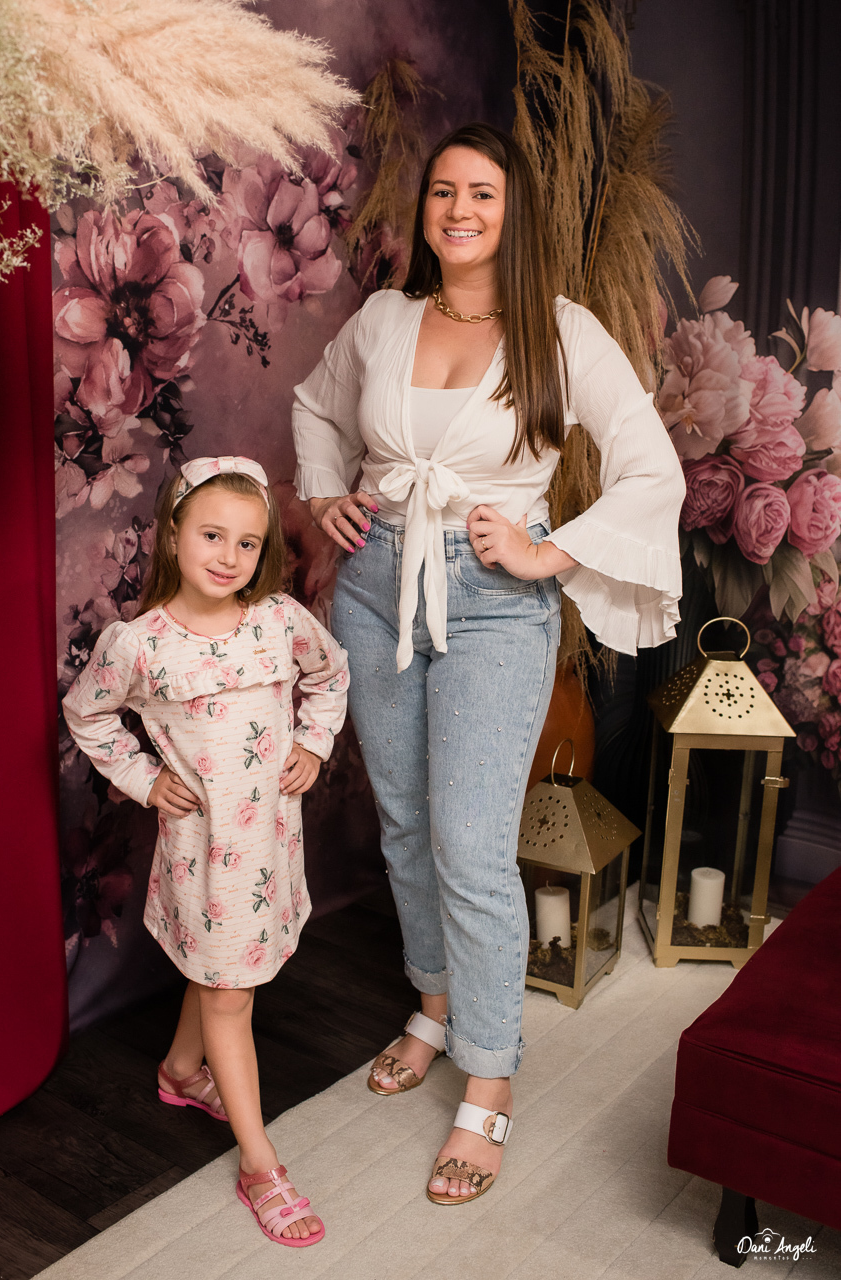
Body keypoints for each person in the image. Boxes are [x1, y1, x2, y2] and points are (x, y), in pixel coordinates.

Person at [291, 122, 685, 1205]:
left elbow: (650, 467)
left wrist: (546, 551)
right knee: (406, 823)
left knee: (469, 841)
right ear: (424, 209)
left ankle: (489, 1074)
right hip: (376, 586)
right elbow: (314, 407)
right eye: (442, 191)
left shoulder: (559, 333)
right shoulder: (383, 318)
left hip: (494, 603)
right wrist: (323, 493)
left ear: (514, 215)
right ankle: (432, 1005)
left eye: (482, 194)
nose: (458, 210)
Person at [63, 456, 348, 1247]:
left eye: (248, 543)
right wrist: (143, 779)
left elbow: (330, 676)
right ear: (172, 535)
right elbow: (88, 715)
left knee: (219, 973)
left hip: (271, 843)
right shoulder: (139, 644)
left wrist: (314, 743)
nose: (229, 556)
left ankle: (182, 1072)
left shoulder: (280, 620)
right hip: (208, 854)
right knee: (229, 992)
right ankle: (260, 1164)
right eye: (212, 535)